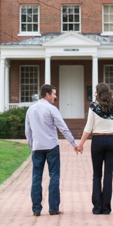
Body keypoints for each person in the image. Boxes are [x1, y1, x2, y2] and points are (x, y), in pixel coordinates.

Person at [25, 83, 79, 216]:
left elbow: (28, 131)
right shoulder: (51, 109)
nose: (56, 96)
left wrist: (32, 146)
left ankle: (36, 209)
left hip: (37, 147)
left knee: (36, 177)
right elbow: (63, 127)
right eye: (54, 94)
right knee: (54, 176)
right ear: (47, 95)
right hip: (51, 147)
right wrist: (73, 143)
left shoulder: (30, 110)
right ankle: (53, 208)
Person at [75, 82, 113, 215]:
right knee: (108, 175)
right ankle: (106, 208)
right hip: (111, 140)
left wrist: (81, 143)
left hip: (98, 140)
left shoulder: (93, 107)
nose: (94, 93)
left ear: (99, 93)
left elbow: (89, 127)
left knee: (97, 175)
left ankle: (97, 207)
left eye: (95, 91)